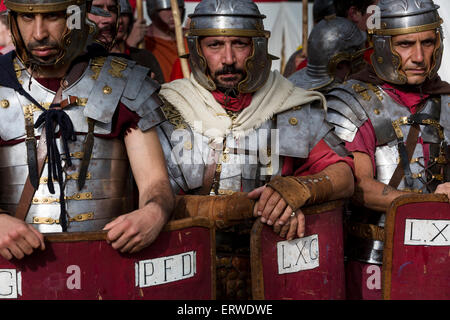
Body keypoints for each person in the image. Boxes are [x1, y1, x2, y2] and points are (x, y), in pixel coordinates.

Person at [157, 0, 355, 241]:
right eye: (215, 45)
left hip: (267, 254)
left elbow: (344, 176)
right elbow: (148, 200)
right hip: (189, 254)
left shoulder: (287, 104)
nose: (228, 59)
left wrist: (301, 188)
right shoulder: (168, 107)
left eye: (240, 43)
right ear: (197, 49)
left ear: (257, 47)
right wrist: (236, 208)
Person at [0, 0, 174, 260]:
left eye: (53, 17)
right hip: (16, 271)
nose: (39, 33)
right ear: (12, 20)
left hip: (107, 263)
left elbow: (155, 183)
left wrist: (154, 213)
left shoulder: (124, 81)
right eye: (27, 18)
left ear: (77, 17)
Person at [325, 0, 450, 299]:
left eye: (428, 42)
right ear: (382, 46)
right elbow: (360, 187)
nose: (419, 56)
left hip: (441, 251)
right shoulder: (352, 101)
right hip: (374, 257)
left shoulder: (446, 99)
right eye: (405, 44)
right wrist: (428, 202)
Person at [289, 16, 367, 93]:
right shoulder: (334, 102)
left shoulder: (292, 91)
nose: (363, 64)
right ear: (340, 64)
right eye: (358, 60)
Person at [108, 0, 164, 83]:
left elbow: (161, 92)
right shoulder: (92, 57)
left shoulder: (145, 58)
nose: (120, 21)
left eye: (124, 15)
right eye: (115, 14)